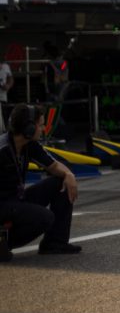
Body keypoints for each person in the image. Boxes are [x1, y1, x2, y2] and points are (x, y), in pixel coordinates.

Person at [0, 103, 79, 261]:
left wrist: (69, 175)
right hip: (2, 204)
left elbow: (54, 165)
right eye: (41, 125)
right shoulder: (2, 150)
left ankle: (55, 243)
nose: (43, 129)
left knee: (59, 182)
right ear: (28, 128)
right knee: (45, 217)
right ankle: (3, 243)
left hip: (15, 200)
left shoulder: (30, 145)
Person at [0, 53, 13, 133]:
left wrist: (8, 86)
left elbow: (11, 79)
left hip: (3, 96)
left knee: (4, 116)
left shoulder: (5, 66)